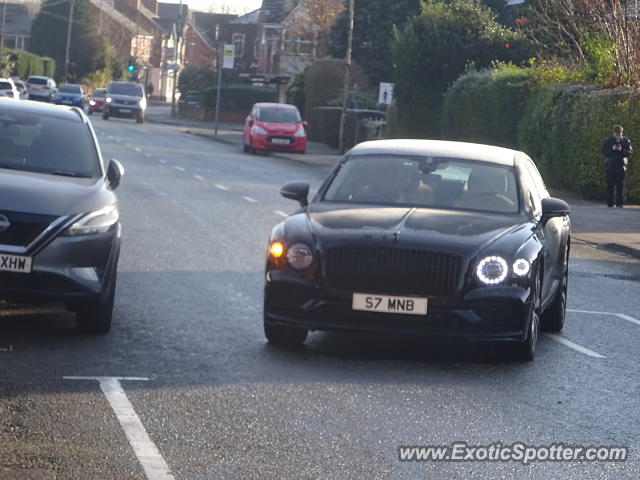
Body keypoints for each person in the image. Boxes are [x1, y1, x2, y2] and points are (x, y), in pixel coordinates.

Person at [601, 125, 632, 208]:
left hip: (621, 166)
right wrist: (612, 149)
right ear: (613, 133)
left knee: (620, 186)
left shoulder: (626, 141)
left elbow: (629, 152)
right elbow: (604, 152)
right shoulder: (608, 141)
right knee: (610, 185)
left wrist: (621, 149)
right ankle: (610, 204)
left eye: (620, 133)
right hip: (610, 166)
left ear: (622, 133)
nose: (618, 135)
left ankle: (619, 203)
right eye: (617, 133)